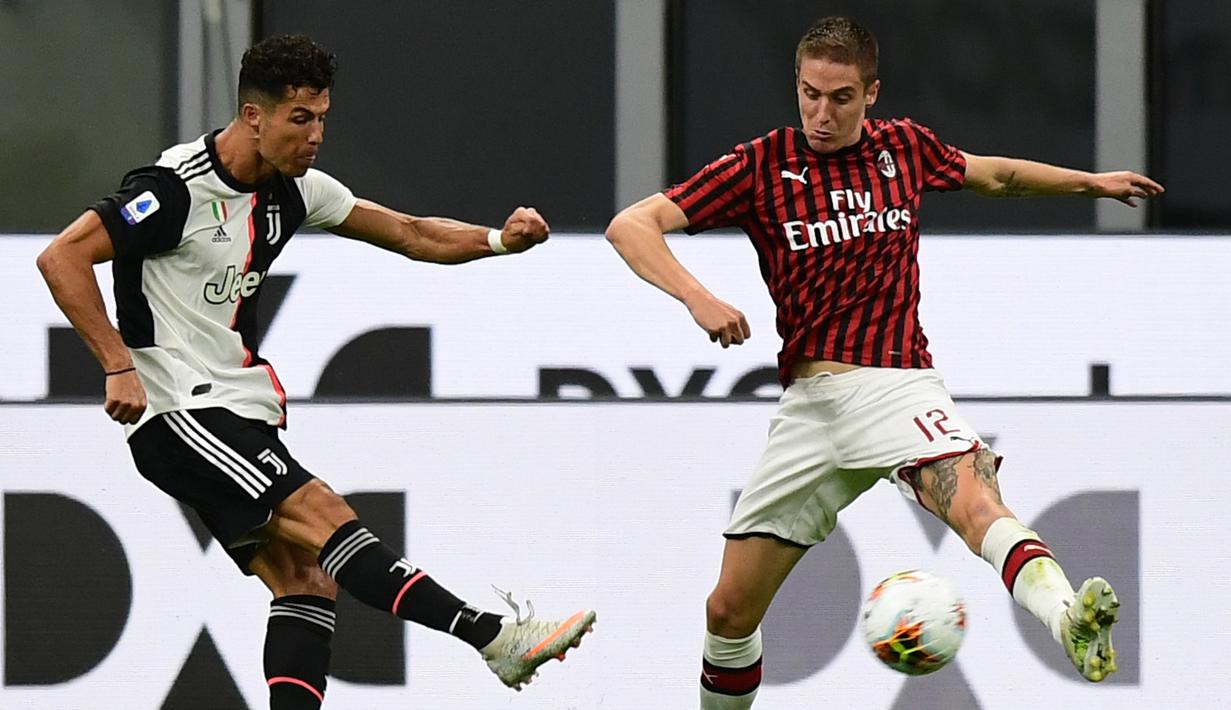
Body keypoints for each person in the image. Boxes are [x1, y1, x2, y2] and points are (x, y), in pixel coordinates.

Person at [606, 15, 1162, 709]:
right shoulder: (760, 164)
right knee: (726, 613)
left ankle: (1065, 617)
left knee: (973, 501)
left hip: (893, 386)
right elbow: (630, 225)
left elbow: (995, 175)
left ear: (871, 93)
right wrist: (696, 297)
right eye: (809, 93)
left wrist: (1091, 184)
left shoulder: (903, 149)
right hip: (808, 412)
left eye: (840, 97)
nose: (821, 112)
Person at [37, 35, 595, 709]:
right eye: (301, 119)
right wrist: (118, 365)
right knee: (322, 512)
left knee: (304, 577)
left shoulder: (295, 190)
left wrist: (498, 241)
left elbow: (412, 233)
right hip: (177, 408)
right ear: (253, 117)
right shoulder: (173, 191)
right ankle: (490, 638)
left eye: (323, 118)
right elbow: (61, 258)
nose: (316, 135)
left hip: (230, 406)